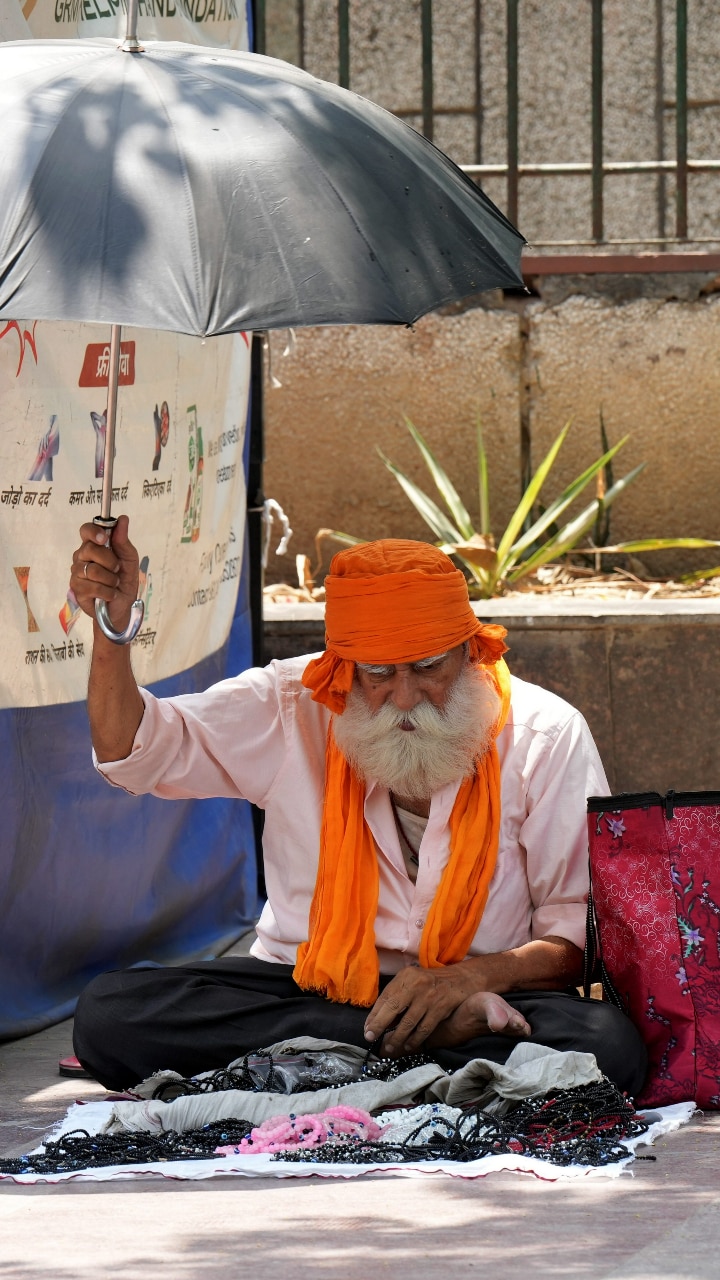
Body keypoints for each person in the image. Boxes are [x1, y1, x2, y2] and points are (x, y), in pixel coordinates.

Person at [68, 519, 647, 1096]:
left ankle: (337, 1058)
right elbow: (134, 750)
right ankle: (430, 1045)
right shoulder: (292, 704)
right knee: (109, 1015)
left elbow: (579, 937)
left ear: (470, 652)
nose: (405, 698)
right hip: (312, 988)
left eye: (427, 667)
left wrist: (466, 980)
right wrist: (110, 632)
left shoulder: (546, 735)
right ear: (344, 668)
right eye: (377, 672)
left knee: (608, 1045)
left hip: (487, 992)